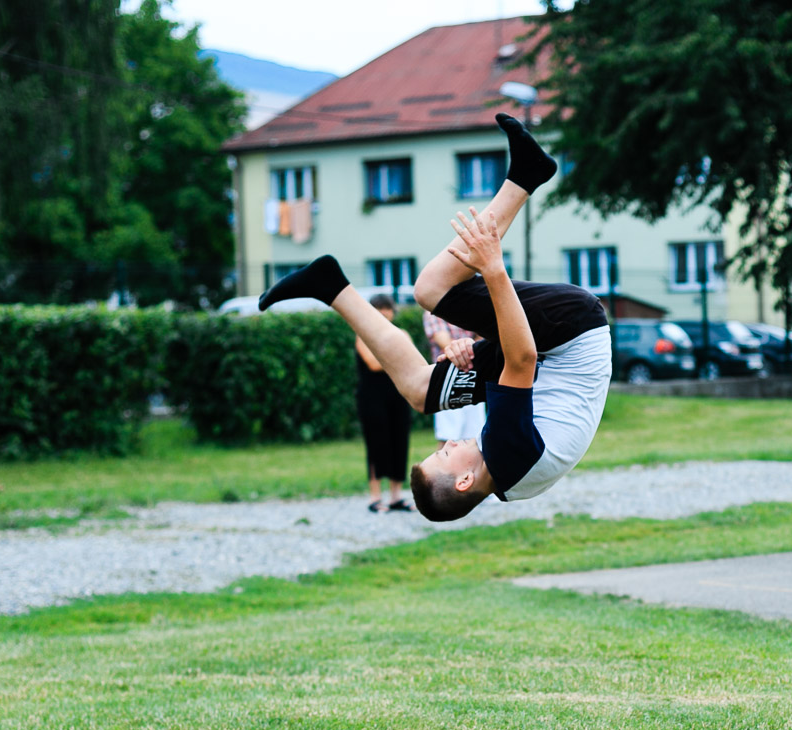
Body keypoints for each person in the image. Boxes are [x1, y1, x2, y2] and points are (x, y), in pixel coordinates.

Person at [259, 114, 610, 521]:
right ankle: (524, 177)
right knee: (431, 290)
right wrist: (492, 268)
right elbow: (522, 360)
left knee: (419, 390)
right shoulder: (504, 453)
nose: (450, 444)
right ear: (464, 481)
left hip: (546, 360)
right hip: (570, 332)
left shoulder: (504, 480)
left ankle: (331, 287)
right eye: (444, 454)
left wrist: (475, 347)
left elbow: (527, 380)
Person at [354, 293, 413, 512]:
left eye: (387, 308)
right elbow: (373, 363)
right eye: (379, 309)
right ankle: (375, 497)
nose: (384, 313)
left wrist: (395, 358)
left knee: (400, 442)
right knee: (377, 443)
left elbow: (411, 359)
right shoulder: (363, 335)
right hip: (372, 397)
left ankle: (396, 496)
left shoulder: (402, 333)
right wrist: (397, 357)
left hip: (399, 395)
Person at [422, 309, 485, 442]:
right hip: (447, 380)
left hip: (473, 377)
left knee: (475, 439)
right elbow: (446, 343)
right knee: (448, 438)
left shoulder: (468, 307)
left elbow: (483, 336)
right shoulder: (433, 312)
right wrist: (474, 351)